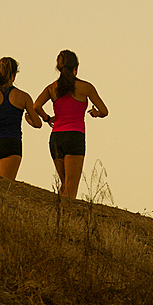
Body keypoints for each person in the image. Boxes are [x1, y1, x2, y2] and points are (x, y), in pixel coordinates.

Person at [34, 49, 108, 199]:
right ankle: (67, 219)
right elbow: (104, 110)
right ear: (76, 68)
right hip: (75, 136)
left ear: (59, 68)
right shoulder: (86, 87)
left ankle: (58, 217)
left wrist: (48, 119)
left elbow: (36, 106)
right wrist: (96, 113)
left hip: (56, 137)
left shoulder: (52, 87)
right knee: (71, 186)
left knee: (64, 184)